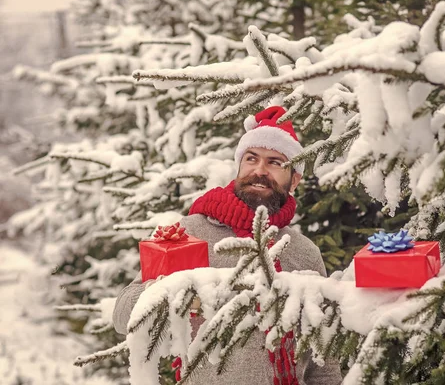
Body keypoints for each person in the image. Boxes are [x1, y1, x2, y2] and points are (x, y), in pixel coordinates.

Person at [113, 106, 343, 385]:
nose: (260, 170)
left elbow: (323, 362)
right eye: (251, 159)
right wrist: (169, 294)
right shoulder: (190, 232)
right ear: (238, 167)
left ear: (294, 179)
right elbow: (123, 316)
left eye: (275, 162)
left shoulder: (303, 252)